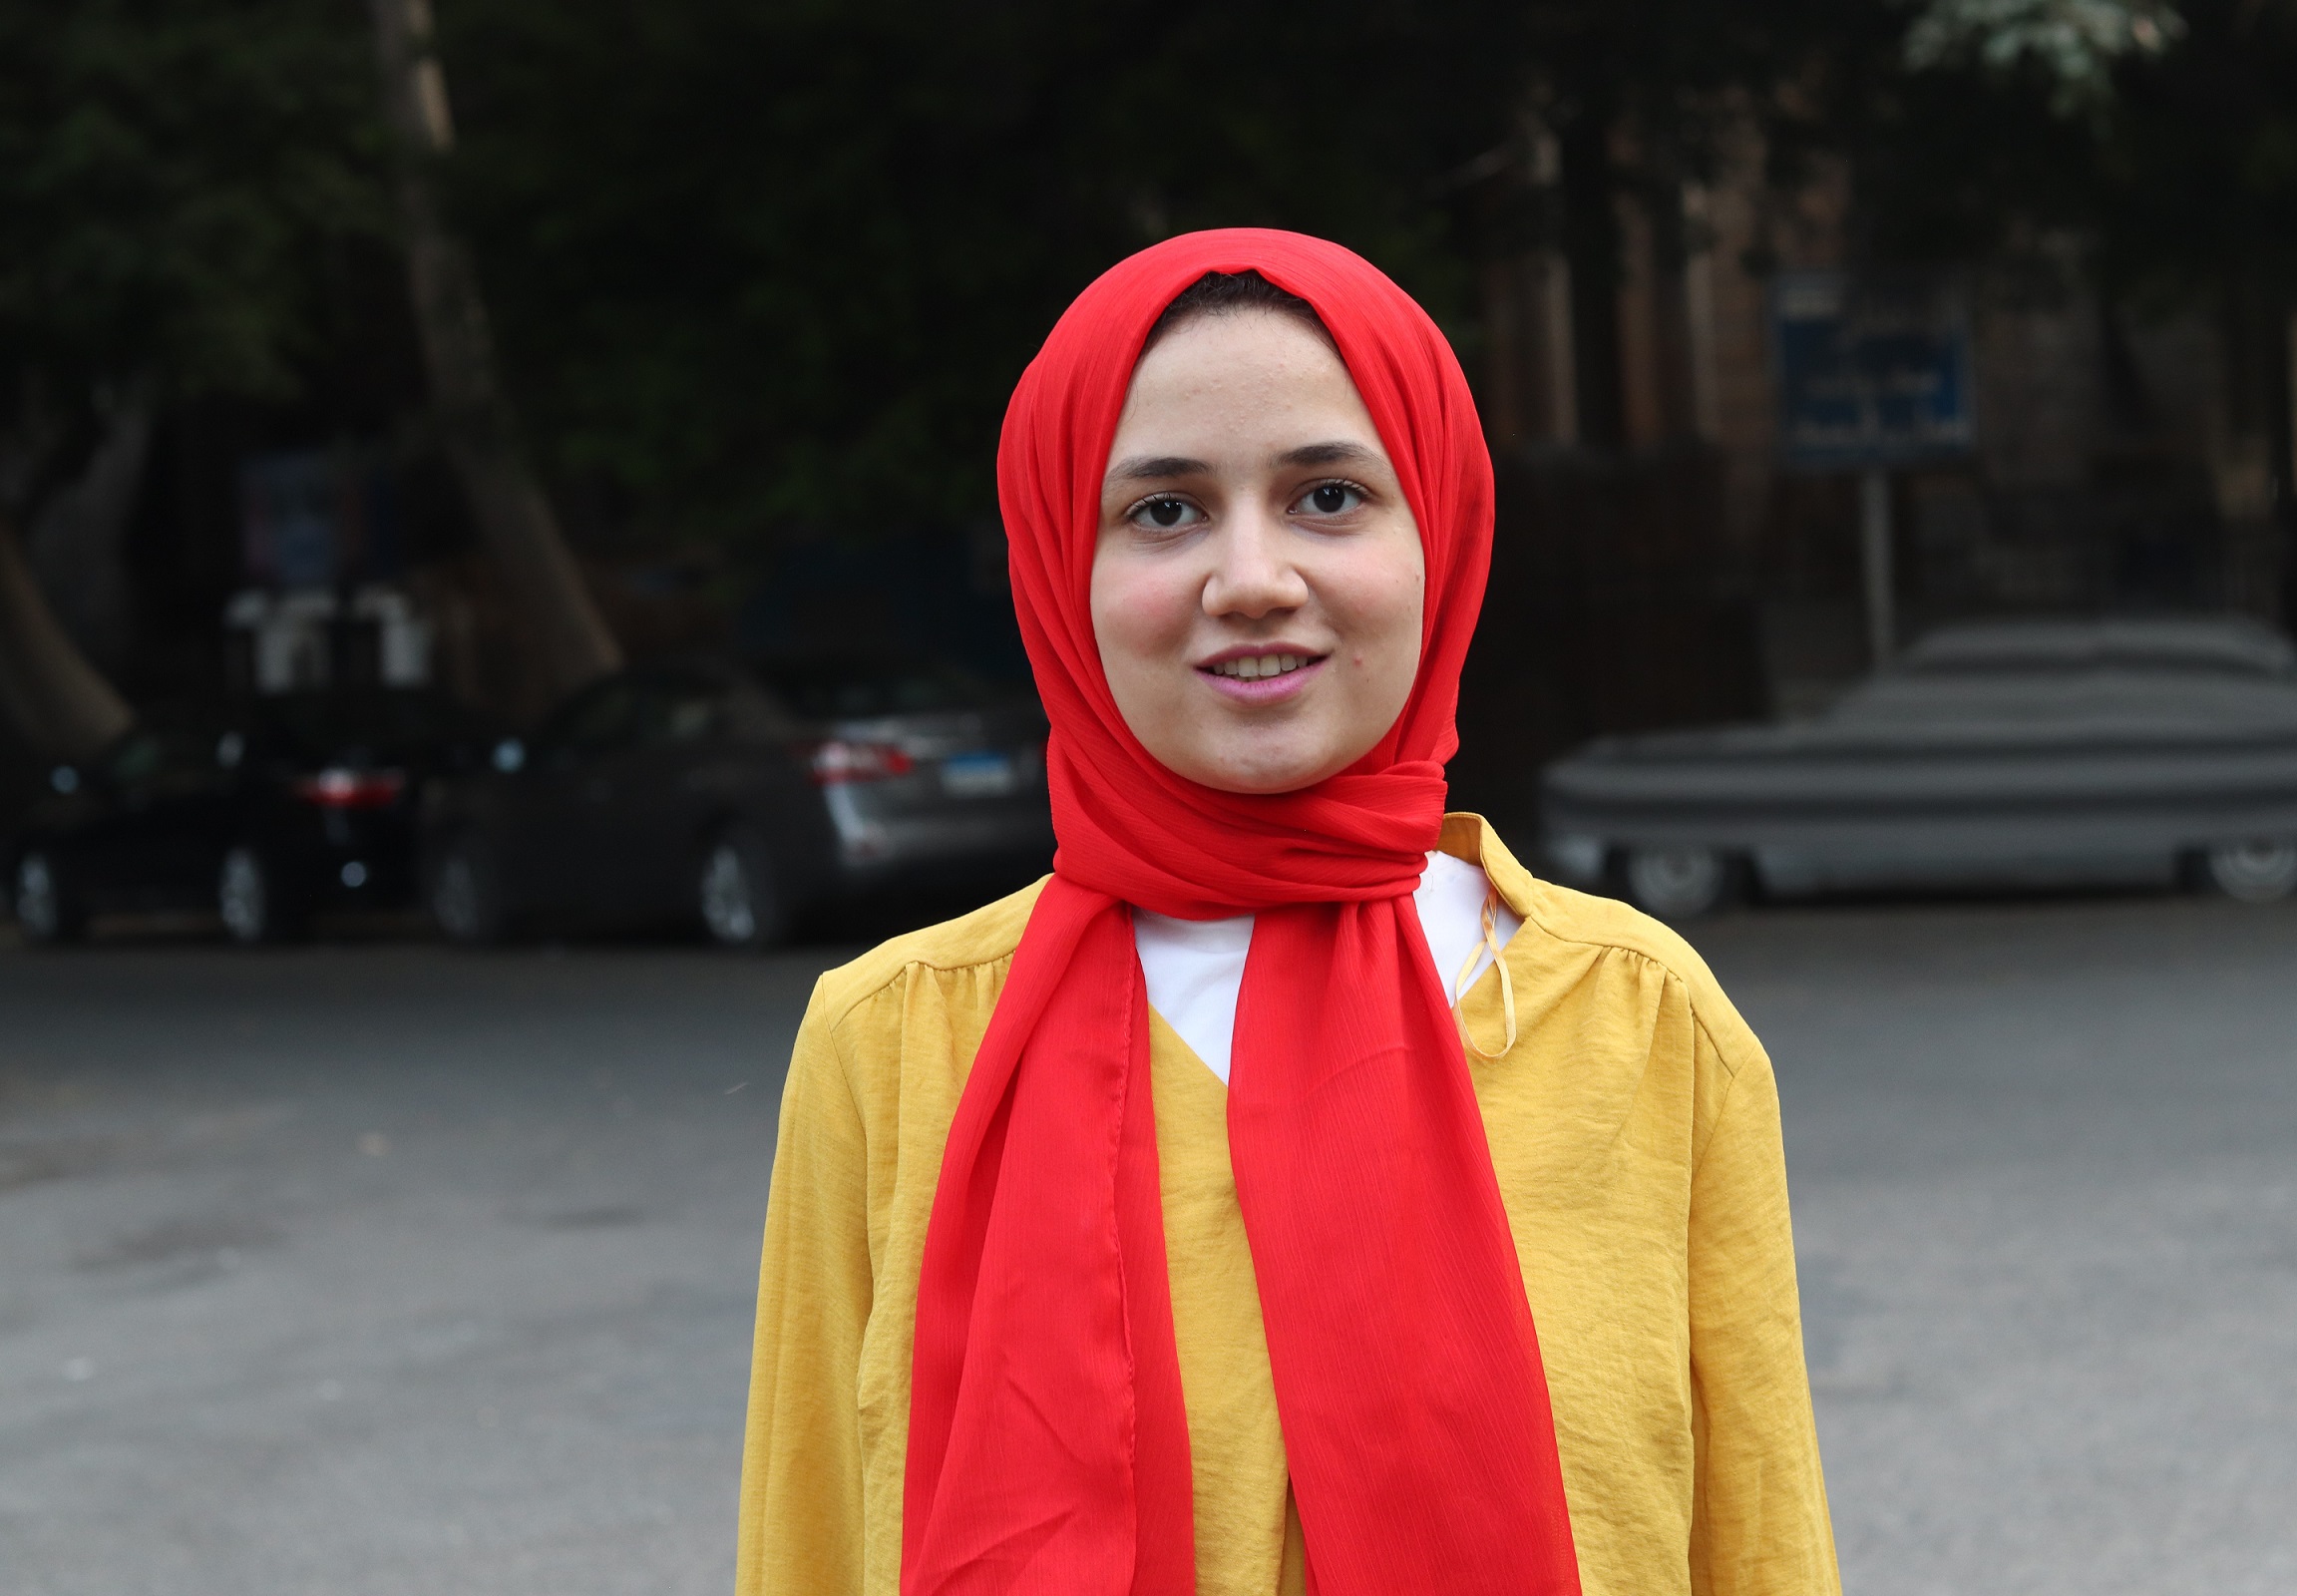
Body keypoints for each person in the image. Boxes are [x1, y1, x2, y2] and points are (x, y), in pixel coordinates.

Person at [737, 229, 1839, 1596]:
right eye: (1162, 511)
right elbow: (810, 1553)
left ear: (1440, 529)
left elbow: (1760, 1554)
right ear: (1055, 572)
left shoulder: (1644, 1024)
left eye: (1327, 495)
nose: (1252, 576)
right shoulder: (892, 1045)